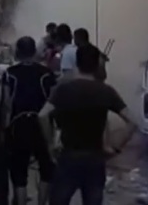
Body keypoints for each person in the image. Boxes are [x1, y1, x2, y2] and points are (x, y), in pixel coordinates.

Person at [39, 44, 136, 205]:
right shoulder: (106, 91)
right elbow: (133, 121)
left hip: (68, 157)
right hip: (95, 159)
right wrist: (116, 147)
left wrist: (50, 145)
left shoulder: (63, 89)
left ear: (77, 63)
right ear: (97, 65)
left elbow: (42, 115)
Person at [0, 37, 56, 205]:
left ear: (17, 52)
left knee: (19, 171)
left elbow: (6, 103)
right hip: (42, 124)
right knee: (46, 167)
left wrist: (4, 128)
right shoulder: (47, 73)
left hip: (18, 124)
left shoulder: (10, 73)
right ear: (34, 51)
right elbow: (53, 101)